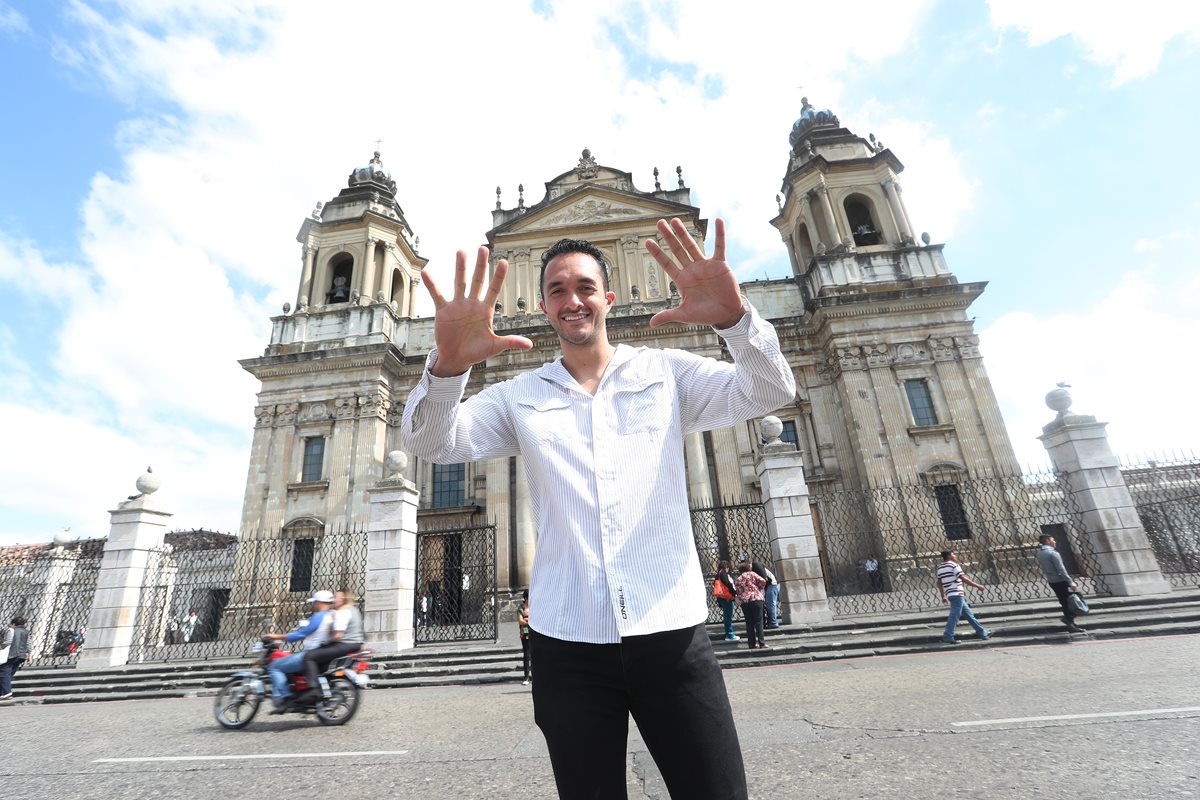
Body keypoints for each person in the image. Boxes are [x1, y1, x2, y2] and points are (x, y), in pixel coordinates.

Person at [401, 217, 795, 799]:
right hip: (568, 648)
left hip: (671, 636)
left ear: (608, 297)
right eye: (557, 289)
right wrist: (448, 368)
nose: (572, 299)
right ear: (542, 307)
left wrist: (738, 322)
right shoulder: (520, 396)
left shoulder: (666, 373)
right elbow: (432, 443)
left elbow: (769, 392)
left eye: (584, 286)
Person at [264, 590, 333, 711]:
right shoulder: (331, 616)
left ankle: (285, 697)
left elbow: (301, 635)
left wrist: (277, 636)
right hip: (321, 654)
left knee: (274, 667)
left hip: (309, 654)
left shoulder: (319, 616)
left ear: (319, 602)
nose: (313, 605)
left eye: (315, 603)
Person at [297, 589, 364, 703]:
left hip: (344, 644)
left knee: (310, 656)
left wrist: (327, 641)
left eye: (336, 597)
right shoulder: (354, 610)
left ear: (343, 599)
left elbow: (338, 635)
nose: (333, 600)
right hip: (355, 645)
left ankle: (313, 688)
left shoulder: (343, 612)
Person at [936, 549, 992, 644]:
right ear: (949, 556)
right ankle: (948, 636)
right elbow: (963, 578)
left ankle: (982, 632)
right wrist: (977, 586)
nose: (955, 556)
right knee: (954, 616)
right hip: (957, 594)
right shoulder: (954, 565)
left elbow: (939, 583)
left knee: (969, 615)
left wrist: (943, 596)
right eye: (954, 554)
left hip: (951, 594)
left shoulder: (940, 567)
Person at [1036, 533, 1087, 633]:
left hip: (1052, 581)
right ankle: (1069, 620)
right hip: (1061, 580)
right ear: (1047, 541)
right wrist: (1070, 582)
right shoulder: (1053, 553)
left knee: (1064, 601)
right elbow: (1061, 569)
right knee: (1075, 599)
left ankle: (1070, 621)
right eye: (1053, 540)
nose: (1055, 542)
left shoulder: (1040, 553)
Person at [734, 560, 768, 650]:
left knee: (749, 623)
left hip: (745, 602)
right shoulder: (752, 574)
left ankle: (751, 644)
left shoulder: (738, 579)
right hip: (755, 598)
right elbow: (763, 581)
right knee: (758, 621)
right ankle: (762, 642)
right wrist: (758, 588)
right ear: (748, 568)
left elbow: (737, 591)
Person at [1, 616, 31, 700]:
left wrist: (1, 646)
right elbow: (28, 643)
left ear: (13, 624)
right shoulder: (26, 631)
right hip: (21, 656)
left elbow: (8, 642)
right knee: (9, 674)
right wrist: (29, 655)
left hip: (11, 654)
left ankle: (7, 692)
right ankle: (2, 693)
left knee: (3, 672)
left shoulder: (11, 630)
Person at [714, 559, 739, 641]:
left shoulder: (718, 574)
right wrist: (734, 592)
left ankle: (729, 634)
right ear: (727, 567)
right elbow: (728, 584)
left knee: (727, 616)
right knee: (728, 616)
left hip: (722, 598)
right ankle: (730, 635)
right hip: (727, 597)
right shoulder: (723, 573)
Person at [517, 589, 532, 685]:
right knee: (526, 655)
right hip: (525, 633)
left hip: (533, 633)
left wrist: (526, 619)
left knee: (535, 655)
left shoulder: (534, 607)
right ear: (526, 598)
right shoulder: (521, 609)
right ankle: (526, 676)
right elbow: (520, 621)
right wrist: (529, 621)